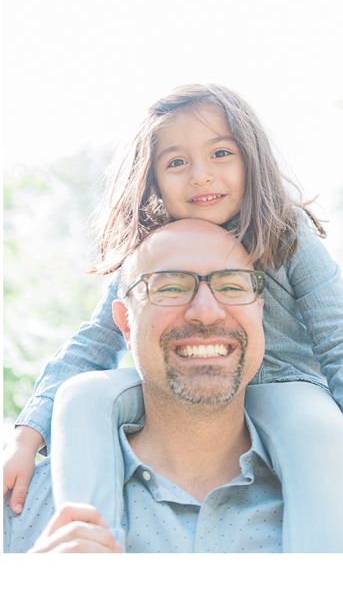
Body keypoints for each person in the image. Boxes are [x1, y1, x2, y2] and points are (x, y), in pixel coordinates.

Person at [3, 84, 343, 553]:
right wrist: (26, 438)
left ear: (251, 160)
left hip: (287, 390)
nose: (200, 177)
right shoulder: (149, 252)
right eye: (176, 162)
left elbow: (342, 342)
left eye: (221, 153)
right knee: (81, 394)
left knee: (318, 427)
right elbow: (93, 342)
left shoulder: (286, 234)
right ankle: (90, 544)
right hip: (173, 382)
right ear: (151, 179)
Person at [5, 220, 291, 552]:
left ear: (259, 311)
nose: (207, 312)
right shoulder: (22, 508)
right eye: (170, 287)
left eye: (231, 287)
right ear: (126, 323)